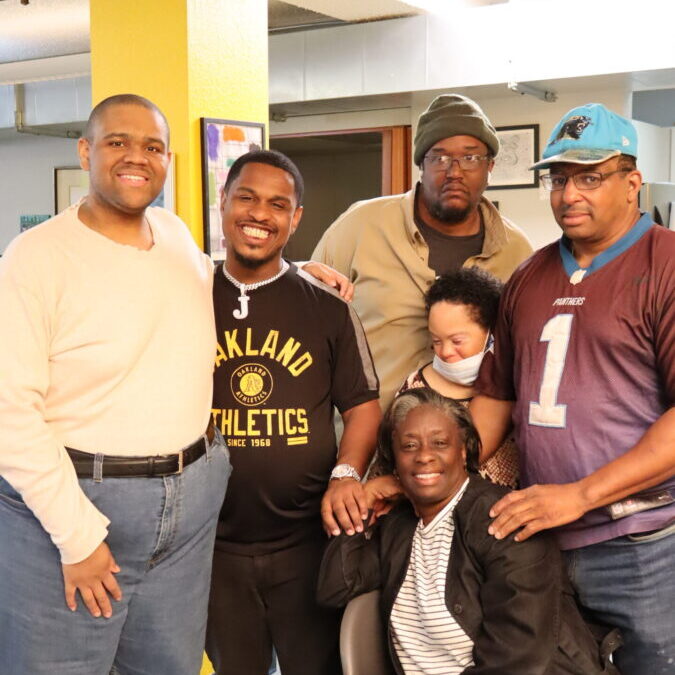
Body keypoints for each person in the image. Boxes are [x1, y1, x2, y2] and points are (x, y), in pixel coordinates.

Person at [0, 94, 232, 675]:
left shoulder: (175, 235)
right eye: (117, 142)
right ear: (85, 152)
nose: (137, 157)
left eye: (152, 146)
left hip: (190, 502)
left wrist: (297, 273)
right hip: (76, 504)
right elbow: (8, 411)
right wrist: (76, 537)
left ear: (168, 160)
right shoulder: (34, 257)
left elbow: (209, 285)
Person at [471, 103, 675, 674]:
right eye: (558, 179)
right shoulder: (528, 276)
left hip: (644, 545)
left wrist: (580, 496)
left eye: (589, 177)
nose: (568, 195)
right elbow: (496, 397)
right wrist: (440, 475)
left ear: (632, 182)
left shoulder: (666, 263)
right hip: (542, 540)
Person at [205, 150, 381, 675]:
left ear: (296, 217)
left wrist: (347, 473)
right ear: (223, 202)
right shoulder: (187, 295)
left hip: (307, 541)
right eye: (246, 198)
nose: (260, 214)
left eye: (277, 204)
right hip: (213, 544)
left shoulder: (328, 307)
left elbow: (363, 408)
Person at [317, 388, 620, 675]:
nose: (424, 456)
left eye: (440, 443)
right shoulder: (399, 525)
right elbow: (336, 590)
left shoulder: (505, 517)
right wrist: (363, 505)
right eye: (409, 446)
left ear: (463, 451)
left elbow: (518, 658)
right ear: (394, 459)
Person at [311, 94, 533, 408]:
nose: (454, 171)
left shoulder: (516, 250)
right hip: (366, 433)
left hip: (477, 435)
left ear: (490, 167)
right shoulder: (360, 226)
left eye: (470, 157)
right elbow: (307, 316)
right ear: (421, 165)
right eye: (439, 158)